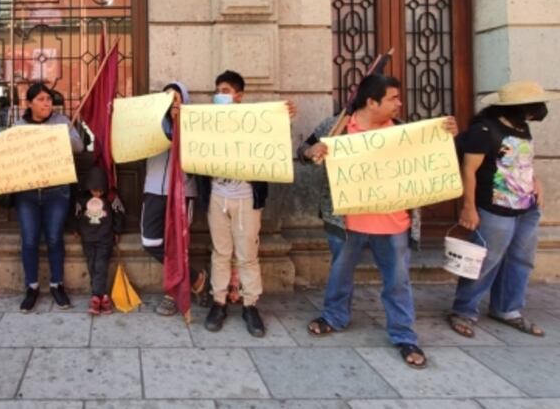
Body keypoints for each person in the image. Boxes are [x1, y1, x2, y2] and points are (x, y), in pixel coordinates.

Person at [300, 74, 457, 369]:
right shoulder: (336, 127)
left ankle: (404, 334)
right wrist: (312, 152)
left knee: (398, 282)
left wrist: (446, 135)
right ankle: (334, 317)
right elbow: (303, 152)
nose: (399, 103)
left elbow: (432, 159)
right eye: (393, 98)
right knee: (339, 275)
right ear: (372, 102)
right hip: (345, 222)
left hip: (394, 225)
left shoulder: (403, 131)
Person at [447, 80, 559, 339]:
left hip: (526, 207)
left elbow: (519, 162)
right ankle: (464, 310)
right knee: (486, 261)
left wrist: (536, 181)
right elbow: (469, 170)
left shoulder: (522, 128)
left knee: (521, 259)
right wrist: (469, 208)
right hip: (494, 207)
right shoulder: (484, 130)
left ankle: (508, 308)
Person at [201, 70, 296, 337]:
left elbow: (274, 143)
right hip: (217, 197)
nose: (221, 95)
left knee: (247, 255)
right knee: (220, 252)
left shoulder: (256, 122)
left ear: (239, 96)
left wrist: (283, 119)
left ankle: (250, 304)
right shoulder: (207, 122)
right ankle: (218, 301)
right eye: (218, 91)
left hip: (246, 199)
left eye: (226, 91)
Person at [141, 80, 209, 316]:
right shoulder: (152, 125)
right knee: (150, 242)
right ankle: (195, 277)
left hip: (183, 192)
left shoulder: (195, 128)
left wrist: (182, 123)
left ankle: (171, 294)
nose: (172, 102)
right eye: (167, 98)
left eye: (176, 97)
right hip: (154, 190)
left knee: (178, 245)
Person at [14, 82, 84, 312]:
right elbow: (9, 154)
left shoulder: (62, 122)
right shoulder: (19, 125)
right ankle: (32, 287)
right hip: (27, 193)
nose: (47, 103)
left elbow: (79, 146)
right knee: (30, 240)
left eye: (49, 99)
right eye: (42, 99)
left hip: (57, 192)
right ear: (30, 103)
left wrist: (58, 135)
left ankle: (57, 284)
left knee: (54, 239)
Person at [75, 165, 125, 315]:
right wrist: (76, 229)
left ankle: (97, 297)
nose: (97, 193)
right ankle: (101, 296)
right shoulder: (82, 199)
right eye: (93, 190)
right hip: (88, 238)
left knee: (101, 264)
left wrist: (117, 231)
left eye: (100, 190)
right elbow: (76, 215)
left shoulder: (111, 198)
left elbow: (120, 214)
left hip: (105, 238)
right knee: (92, 264)